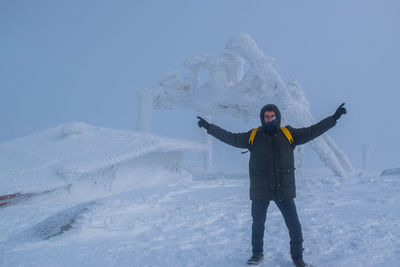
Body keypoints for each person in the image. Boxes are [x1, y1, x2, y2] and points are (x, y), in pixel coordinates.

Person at [197, 103, 347, 266]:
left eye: (272, 116)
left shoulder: (289, 134)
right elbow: (231, 137)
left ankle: (298, 259)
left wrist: (333, 119)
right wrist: (209, 128)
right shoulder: (253, 136)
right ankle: (257, 254)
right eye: (266, 117)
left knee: (294, 226)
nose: (269, 119)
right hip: (261, 189)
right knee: (258, 224)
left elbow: (312, 131)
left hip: (283, 189)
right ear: (262, 118)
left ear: (277, 117)